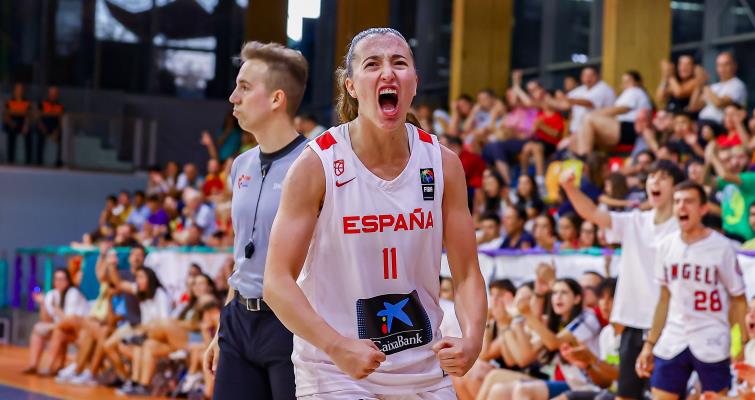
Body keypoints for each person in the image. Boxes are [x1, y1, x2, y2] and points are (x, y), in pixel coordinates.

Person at [263, 28, 486, 399]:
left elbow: (466, 275)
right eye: (373, 64)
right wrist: (335, 345)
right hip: (335, 369)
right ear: (351, 86)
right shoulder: (316, 165)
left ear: (414, 83)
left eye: (400, 63)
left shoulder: (443, 164)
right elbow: (276, 282)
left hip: (424, 369)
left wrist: (474, 337)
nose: (388, 73)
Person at [201, 41, 309, 400]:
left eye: (244, 88)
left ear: (277, 99)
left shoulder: (314, 164)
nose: (233, 97)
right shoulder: (241, 165)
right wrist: (221, 330)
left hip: (290, 325)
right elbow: (241, 254)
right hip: (238, 320)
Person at [560, 159, 684, 400]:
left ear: (676, 188)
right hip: (634, 324)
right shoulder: (636, 221)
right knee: (626, 395)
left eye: (663, 177)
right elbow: (594, 214)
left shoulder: (682, 228)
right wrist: (569, 188)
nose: (654, 182)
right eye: (651, 177)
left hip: (669, 326)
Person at [636, 181, 748, 399]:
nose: (681, 207)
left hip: (712, 337)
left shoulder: (722, 247)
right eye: (677, 202)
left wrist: (741, 344)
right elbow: (664, 300)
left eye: (688, 201)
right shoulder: (666, 246)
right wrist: (650, 343)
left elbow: (738, 298)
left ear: (703, 209)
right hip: (674, 337)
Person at [572, 70, 652, 157]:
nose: (625, 83)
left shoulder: (635, 91)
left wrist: (596, 114)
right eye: (624, 81)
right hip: (622, 128)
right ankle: (579, 162)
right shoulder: (627, 93)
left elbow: (621, 109)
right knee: (577, 135)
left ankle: (585, 160)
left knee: (588, 119)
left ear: (636, 82)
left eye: (628, 80)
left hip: (630, 128)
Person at [3, 83, 32, 164]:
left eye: (21, 90)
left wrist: (26, 126)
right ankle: (10, 160)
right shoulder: (9, 102)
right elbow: (5, 115)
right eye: (18, 89)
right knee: (10, 133)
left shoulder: (27, 102)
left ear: (23, 91)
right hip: (12, 124)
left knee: (28, 133)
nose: (19, 91)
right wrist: (11, 123)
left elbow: (29, 116)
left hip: (22, 124)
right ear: (14, 91)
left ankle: (28, 161)